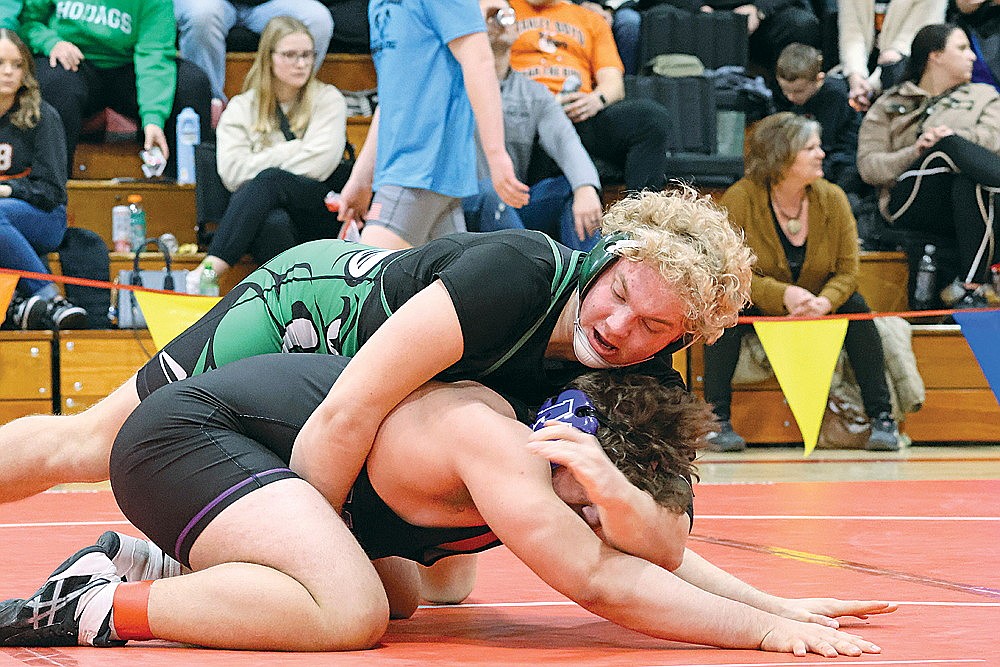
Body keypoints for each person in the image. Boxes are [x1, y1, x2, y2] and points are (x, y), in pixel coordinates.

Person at [0, 352, 896, 655]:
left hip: (256, 454)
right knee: (348, 611)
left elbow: (642, 546)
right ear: (571, 443)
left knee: (411, 594)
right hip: (183, 438)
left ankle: (142, 557)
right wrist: (764, 636)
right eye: (598, 496)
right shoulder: (499, 443)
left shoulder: (575, 467)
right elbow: (604, 583)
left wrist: (775, 602)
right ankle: (90, 607)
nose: (597, 518)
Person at [0, 188, 753, 536]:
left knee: (438, 588)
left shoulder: (646, 376)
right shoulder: (516, 273)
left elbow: (666, 530)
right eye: (619, 293)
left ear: (680, 339)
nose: (621, 328)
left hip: (353, 387)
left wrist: (766, 612)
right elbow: (347, 410)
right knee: (90, 444)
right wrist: (300, 557)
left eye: (654, 324)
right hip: (308, 315)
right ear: (602, 261)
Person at [704, 112, 901, 452]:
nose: (822, 154)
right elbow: (730, 271)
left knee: (858, 309)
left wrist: (824, 301)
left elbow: (848, 271)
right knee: (726, 312)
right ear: (782, 155)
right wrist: (784, 295)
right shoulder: (740, 198)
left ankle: (882, 418)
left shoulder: (833, 198)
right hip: (759, 303)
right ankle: (716, 419)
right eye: (811, 148)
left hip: (819, 303)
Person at [336, 0, 529, 250]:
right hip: (405, 169)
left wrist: (496, 154)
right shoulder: (377, 4)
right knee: (441, 281)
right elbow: (392, 96)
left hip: (422, 167)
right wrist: (362, 177)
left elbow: (479, 61)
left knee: (365, 281)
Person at [184, 17, 347, 291]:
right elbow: (233, 173)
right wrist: (296, 149)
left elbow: (320, 165)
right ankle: (293, 301)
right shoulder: (241, 107)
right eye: (290, 55)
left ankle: (209, 270)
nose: (301, 63)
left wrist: (265, 158)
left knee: (271, 180)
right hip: (265, 216)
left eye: (307, 55)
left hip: (318, 207)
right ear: (268, 57)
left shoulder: (328, 99)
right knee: (273, 221)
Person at [856, 23, 1000, 307]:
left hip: (972, 197)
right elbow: (868, 167)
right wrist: (917, 149)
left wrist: (954, 136)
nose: (972, 56)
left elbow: (995, 140)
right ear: (935, 56)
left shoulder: (985, 96)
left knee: (967, 181)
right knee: (944, 148)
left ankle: (971, 287)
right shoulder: (888, 103)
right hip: (910, 200)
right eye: (962, 48)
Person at [463, 0, 603, 251]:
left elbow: (565, 141)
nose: (500, 20)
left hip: (510, 204)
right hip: (461, 203)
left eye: (505, 13)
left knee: (572, 189)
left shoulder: (534, 93)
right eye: (490, 14)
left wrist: (585, 187)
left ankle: (589, 281)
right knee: (490, 192)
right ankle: (533, 271)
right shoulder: (452, 84)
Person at [17, 0, 213, 178]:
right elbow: (28, 22)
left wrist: (153, 118)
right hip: (74, 61)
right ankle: (52, 190)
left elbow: (155, 55)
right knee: (55, 82)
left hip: (129, 67)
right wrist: (51, 42)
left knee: (191, 84)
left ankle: (184, 194)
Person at [508, 0, 672, 193]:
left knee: (651, 119)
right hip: (522, 115)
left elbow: (613, 83)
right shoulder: (501, 12)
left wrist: (596, 100)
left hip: (578, 113)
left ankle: (639, 215)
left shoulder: (590, 19)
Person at [0, 29, 86, 330]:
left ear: (26, 71)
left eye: (17, 64)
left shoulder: (42, 116)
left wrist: (7, 189)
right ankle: (17, 307)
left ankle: (50, 299)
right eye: (0, 63)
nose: (8, 72)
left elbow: (51, 191)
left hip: (44, 217)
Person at [173, 0, 334, 105]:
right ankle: (208, 107)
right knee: (201, 16)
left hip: (269, 4)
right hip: (210, 3)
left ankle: (284, 105)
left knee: (318, 20)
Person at [774, 43, 864, 198]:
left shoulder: (834, 95)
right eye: (785, 91)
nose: (790, 97)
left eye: (798, 91)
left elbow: (826, 142)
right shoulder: (796, 99)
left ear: (819, 79)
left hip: (844, 159)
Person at [837, 0, 946, 111]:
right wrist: (855, 76)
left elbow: (911, 40)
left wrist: (871, 86)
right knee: (834, 90)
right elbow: (851, 35)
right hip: (860, 68)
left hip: (904, 62)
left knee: (892, 71)